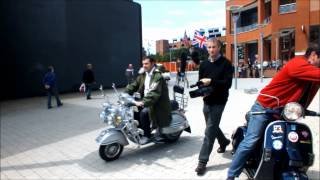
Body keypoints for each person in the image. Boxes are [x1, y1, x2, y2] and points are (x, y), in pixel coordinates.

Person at [227, 43, 320, 180]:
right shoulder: (298, 64)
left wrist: (302, 109)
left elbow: (308, 95)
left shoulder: (312, 75)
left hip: (284, 112)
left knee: (288, 140)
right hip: (265, 107)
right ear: (313, 55)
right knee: (251, 140)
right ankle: (231, 175)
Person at [195, 38, 234, 175]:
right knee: (212, 126)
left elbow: (227, 83)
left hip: (219, 100)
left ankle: (202, 161)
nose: (211, 50)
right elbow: (200, 81)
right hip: (207, 100)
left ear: (219, 48)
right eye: (209, 47)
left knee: (209, 130)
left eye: (214, 47)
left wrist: (211, 81)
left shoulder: (226, 64)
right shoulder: (204, 64)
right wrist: (200, 91)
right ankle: (223, 141)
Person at [125, 56, 171, 144]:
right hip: (148, 100)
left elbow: (154, 93)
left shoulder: (157, 76)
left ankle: (147, 135)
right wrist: (125, 93)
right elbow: (134, 85)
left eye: (146, 63)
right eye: (143, 64)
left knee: (144, 113)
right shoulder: (143, 75)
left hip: (157, 102)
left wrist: (143, 102)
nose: (144, 66)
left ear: (153, 63)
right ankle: (140, 131)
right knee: (135, 110)